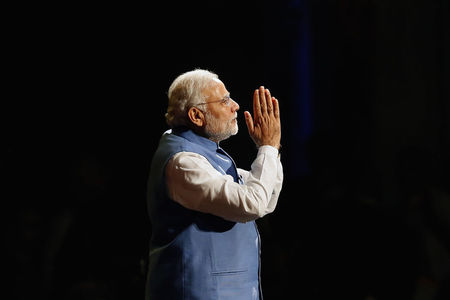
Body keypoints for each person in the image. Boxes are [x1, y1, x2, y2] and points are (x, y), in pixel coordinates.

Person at [145, 69, 283, 299]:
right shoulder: (183, 162)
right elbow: (253, 203)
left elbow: (266, 199)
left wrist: (271, 148)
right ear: (196, 116)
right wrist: (267, 147)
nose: (236, 105)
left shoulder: (209, 156)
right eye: (225, 100)